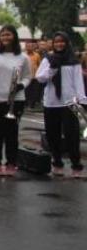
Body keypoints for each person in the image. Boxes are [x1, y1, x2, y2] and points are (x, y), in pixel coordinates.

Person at [0, 25, 32, 178]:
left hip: (15, 99)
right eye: (2, 35)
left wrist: (21, 85)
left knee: (12, 134)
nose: (5, 37)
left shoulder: (23, 57)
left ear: (14, 36)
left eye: (8, 34)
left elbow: (28, 76)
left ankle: (11, 162)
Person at [35, 32, 86, 178]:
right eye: (56, 42)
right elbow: (40, 78)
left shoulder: (73, 60)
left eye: (62, 42)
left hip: (69, 102)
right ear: (53, 44)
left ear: (66, 43)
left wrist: (82, 101)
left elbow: (78, 82)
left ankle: (76, 165)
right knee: (53, 135)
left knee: (72, 135)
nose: (59, 44)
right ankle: (57, 162)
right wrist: (52, 68)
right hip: (51, 102)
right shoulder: (48, 59)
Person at [24, 41, 42, 110]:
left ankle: (31, 105)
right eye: (28, 46)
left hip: (35, 76)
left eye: (31, 46)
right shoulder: (23, 55)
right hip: (26, 77)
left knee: (34, 92)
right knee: (26, 91)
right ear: (25, 47)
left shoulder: (37, 55)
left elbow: (39, 65)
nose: (29, 47)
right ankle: (25, 104)